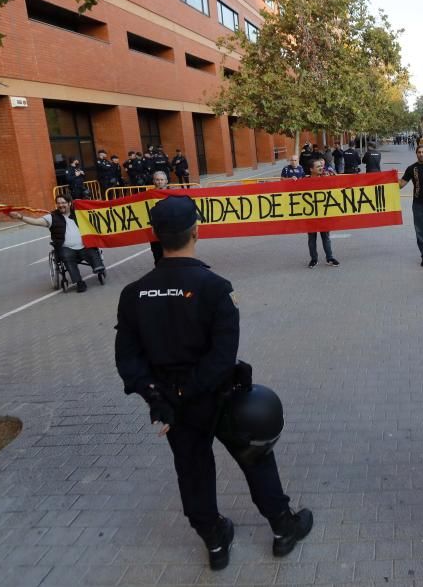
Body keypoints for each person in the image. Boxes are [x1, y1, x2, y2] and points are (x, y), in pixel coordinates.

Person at [114, 196, 313, 570]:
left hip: (173, 407)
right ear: (196, 231)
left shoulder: (133, 294)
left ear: (155, 236)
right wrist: (183, 392)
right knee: (256, 459)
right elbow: (222, 357)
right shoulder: (215, 286)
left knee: (192, 470)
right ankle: (283, 528)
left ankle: (215, 541)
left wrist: (159, 396)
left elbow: (128, 358)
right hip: (217, 398)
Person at [11, 195, 103, 293]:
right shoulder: (52, 217)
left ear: (69, 203)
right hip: (66, 248)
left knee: (92, 249)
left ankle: (98, 267)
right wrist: (20, 217)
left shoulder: (79, 214)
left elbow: (97, 215)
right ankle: (79, 282)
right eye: (58, 203)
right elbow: (36, 221)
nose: (60, 205)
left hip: (84, 245)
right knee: (67, 256)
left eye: (63, 203)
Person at [304, 158, 340, 267]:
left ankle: (330, 258)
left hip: (324, 214)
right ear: (311, 169)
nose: (321, 168)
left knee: (326, 237)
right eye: (318, 166)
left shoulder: (326, 179)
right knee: (312, 239)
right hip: (310, 215)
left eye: (321, 166)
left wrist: (333, 179)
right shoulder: (304, 182)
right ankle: (314, 259)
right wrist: (293, 180)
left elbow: (336, 190)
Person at [148, 171, 172, 264]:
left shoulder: (173, 194)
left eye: (162, 180)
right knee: (158, 256)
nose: (160, 182)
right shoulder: (149, 195)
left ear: (166, 181)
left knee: (171, 256)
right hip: (155, 232)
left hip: (170, 231)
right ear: (154, 181)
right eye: (157, 180)